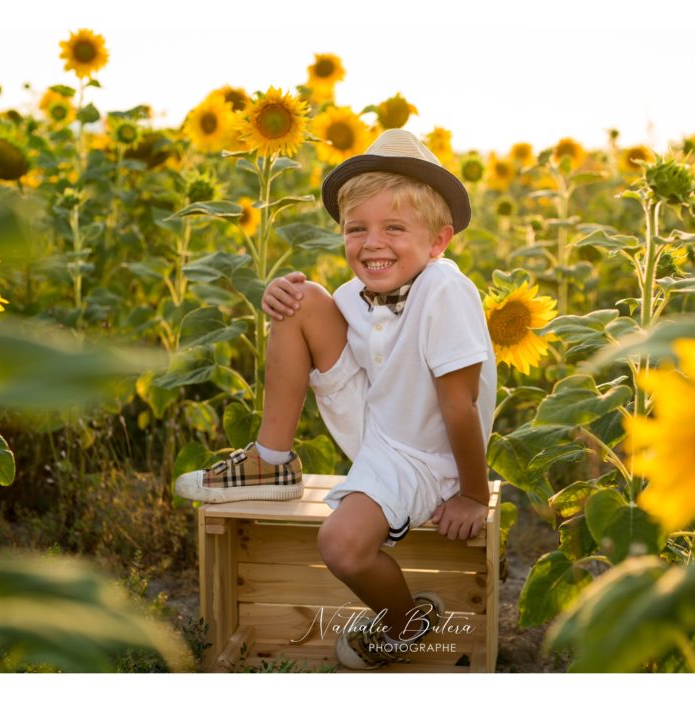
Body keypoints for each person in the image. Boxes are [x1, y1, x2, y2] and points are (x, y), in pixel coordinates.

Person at [175, 129, 497, 669]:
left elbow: (460, 407)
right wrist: (278, 297)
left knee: (341, 546)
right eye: (357, 229)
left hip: (423, 459)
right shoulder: (357, 294)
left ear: (438, 241)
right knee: (300, 298)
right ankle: (270, 462)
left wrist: (469, 493)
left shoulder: (445, 290)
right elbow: (319, 335)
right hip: (377, 427)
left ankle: (403, 620)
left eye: (394, 227)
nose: (372, 243)